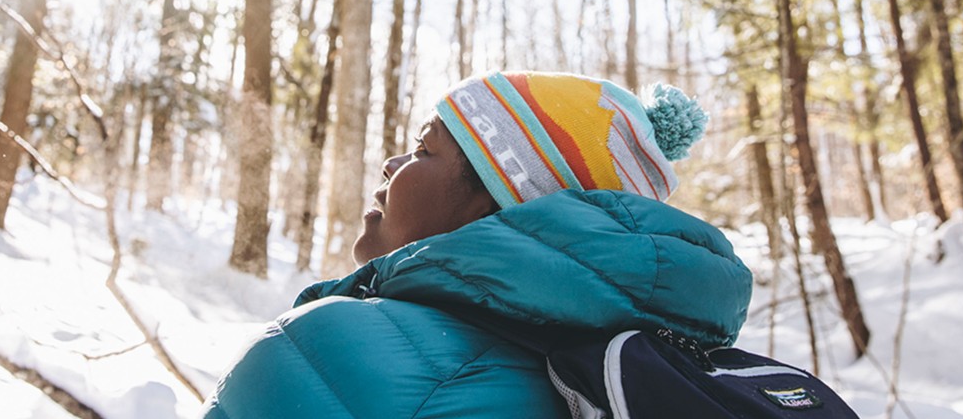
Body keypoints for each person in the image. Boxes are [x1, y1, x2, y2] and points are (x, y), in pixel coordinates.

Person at [202, 71, 753, 418]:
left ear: (504, 205)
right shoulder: (639, 382)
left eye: (423, 150)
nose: (392, 164)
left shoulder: (329, 349)